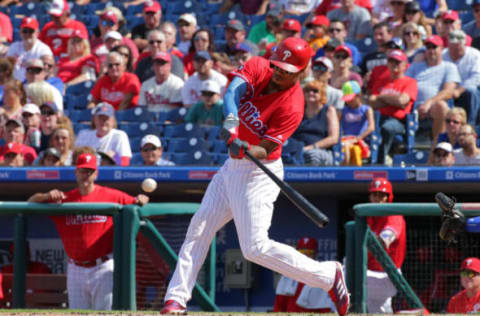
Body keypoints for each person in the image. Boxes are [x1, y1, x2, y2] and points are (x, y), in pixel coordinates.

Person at [160, 37, 349, 315]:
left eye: (287, 70)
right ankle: (176, 300)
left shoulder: (293, 105)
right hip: (231, 168)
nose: (279, 72)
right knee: (199, 228)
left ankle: (328, 276)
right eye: (278, 66)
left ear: (300, 71)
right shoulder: (261, 65)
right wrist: (232, 125)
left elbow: (268, 148)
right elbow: (232, 94)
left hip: (258, 173)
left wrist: (248, 147)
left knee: (254, 248)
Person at [27, 152, 149, 310]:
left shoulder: (111, 195)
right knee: (78, 313)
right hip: (75, 268)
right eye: (82, 171)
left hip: (103, 265)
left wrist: (142, 199)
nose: (85, 175)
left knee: (104, 313)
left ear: (96, 174)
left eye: (89, 171)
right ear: (76, 173)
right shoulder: (65, 199)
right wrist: (45, 196)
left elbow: (137, 204)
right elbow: (30, 203)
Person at [366, 49, 417, 165]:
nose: (394, 65)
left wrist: (382, 97)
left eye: (398, 62)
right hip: (378, 118)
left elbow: (402, 101)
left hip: (398, 121)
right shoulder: (381, 81)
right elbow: (372, 102)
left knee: (387, 128)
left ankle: (381, 160)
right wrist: (392, 100)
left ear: (405, 65)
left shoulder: (410, 82)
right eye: (392, 61)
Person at [405, 35, 460, 142]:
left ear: (441, 49)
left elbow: (448, 92)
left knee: (441, 106)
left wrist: (428, 103)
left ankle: (437, 144)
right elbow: (404, 84)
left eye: (434, 47)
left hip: (434, 107)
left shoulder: (449, 67)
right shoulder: (416, 66)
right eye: (428, 47)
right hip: (412, 107)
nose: (431, 50)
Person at [367, 177, 406, 313]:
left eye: (382, 195)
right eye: (374, 194)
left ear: (389, 197)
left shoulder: (394, 215)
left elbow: (384, 240)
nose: (377, 198)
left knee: (339, 276)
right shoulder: (368, 217)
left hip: (387, 275)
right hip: (370, 274)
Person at [273, 237, 336, 313]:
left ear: (315, 254)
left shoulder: (321, 275)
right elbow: (279, 303)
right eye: (302, 252)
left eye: (309, 252)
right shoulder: (288, 273)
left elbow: (325, 307)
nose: (305, 256)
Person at [292, 80, 340, 166]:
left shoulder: (329, 110)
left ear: (322, 94)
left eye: (315, 91)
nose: (311, 93)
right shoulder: (298, 110)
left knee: (312, 155)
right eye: (307, 90)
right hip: (297, 150)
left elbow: (333, 138)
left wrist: (310, 148)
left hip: (321, 151)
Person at [443, 30, 480, 126]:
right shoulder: (443, 55)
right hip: (447, 89)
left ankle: (470, 125)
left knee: (472, 91)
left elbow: (477, 77)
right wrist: (449, 90)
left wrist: (459, 90)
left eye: (458, 47)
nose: (455, 50)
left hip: (466, 90)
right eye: (452, 47)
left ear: (464, 45)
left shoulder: (475, 55)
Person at [6, 17, 53, 82]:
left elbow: (47, 72)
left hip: (34, 84)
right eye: (25, 31)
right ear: (20, 32)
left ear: (37, 33)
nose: (27, 34)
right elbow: (6, 69)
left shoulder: (43, 49)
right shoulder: (14, 47)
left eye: (31, 31)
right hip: (15, 85)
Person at [339, 81, 375, 166]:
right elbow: (337, 126)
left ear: (359, 95)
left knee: (353, 150)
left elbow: (371, 127)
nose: (348, 102)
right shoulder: (343, 111)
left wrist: (357, 138)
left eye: (351, 99)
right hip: (346, 140)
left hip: (360, 141)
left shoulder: (366, 109)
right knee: (345, 148)